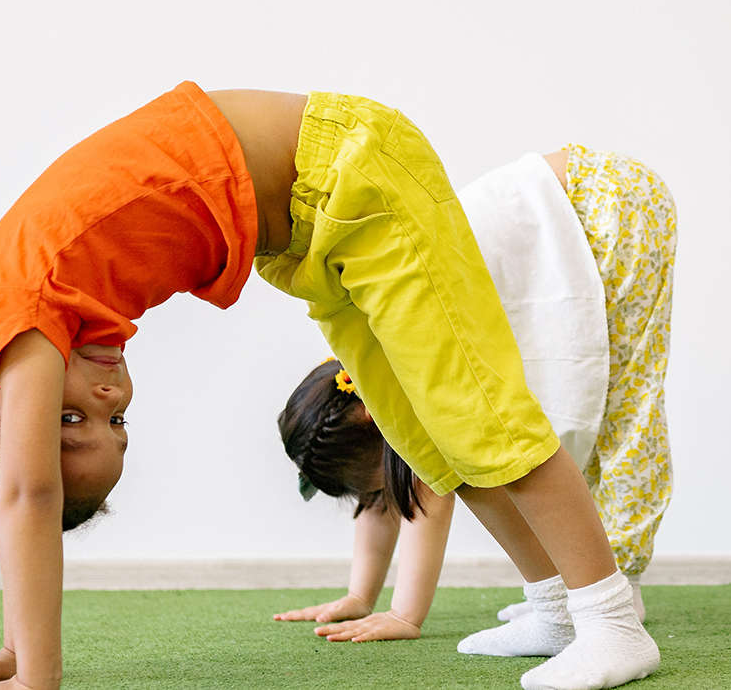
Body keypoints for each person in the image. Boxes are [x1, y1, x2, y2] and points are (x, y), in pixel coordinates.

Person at [0, 84, 657, 690]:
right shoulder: (22, 312)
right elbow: (29, 488)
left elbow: (27, 496)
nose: (109, 403)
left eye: (61, 418)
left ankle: (611, 621)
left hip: (351, 172)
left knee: (479, 412)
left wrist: (34, 673)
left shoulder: (18, 317)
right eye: (118, 426)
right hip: (309, 232)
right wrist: (11, 649)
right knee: (431, 439)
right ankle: (555, 608)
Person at [271, 146, 673, 642]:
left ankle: (618, 584)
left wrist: (405, 615)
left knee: (622, 403)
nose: (391, 495)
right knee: (586, 404)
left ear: (374, 424)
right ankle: (582, 588)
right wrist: (359, 597)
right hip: (576, 205)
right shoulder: (364, 370)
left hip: (609, 205)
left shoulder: (405, 362)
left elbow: (429, 495)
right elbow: (387, 497)